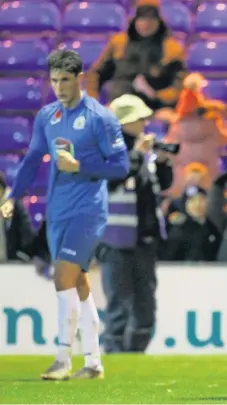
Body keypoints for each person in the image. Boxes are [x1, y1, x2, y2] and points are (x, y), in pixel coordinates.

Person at [0, 50, 129, 379]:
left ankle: (62, 358)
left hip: (88, 211)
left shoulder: (100, 117)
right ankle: (94, 362)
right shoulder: (47, 116)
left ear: (79, 79)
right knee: (79, 283)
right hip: (57, 211)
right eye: (54, 80)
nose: (59, 86)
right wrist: (13, 196)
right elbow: (31, 159)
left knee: (63, 277)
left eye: (65, 80)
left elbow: (120, 166)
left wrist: (80, 166)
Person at [99, 94, 173, 353]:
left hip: (144, 240)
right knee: (118, 305)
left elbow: (160, 186)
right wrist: (138, 155)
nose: (145, 122)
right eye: (140, 118)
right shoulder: (108, 149)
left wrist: (162, 164)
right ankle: (114, 353)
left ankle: (134, 355)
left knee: (145, 307)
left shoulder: (141, 152)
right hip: (115, 239)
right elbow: (112, 179)